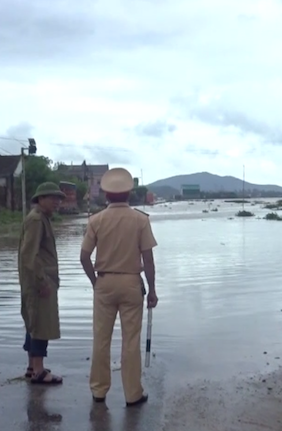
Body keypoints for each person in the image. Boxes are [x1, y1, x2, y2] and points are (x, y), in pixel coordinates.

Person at [80, 167, 159, 407]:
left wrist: (96, 282)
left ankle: (99, 390)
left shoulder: (96, 220)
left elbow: (84, 257)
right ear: (129, 193)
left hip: (104, 282)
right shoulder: (140, 219)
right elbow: (148, 260)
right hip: (131, 283)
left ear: (105, 194)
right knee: (131, 340)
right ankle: (132, 394)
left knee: (101, 339)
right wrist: (152, 290)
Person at [19, 181, 66, 385]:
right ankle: (38, 371)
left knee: (34, 322)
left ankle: (32, 367)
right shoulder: (37, 220)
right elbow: (29, 254)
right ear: (41, 199)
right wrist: (42, 281)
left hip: (39, 280)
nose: (57, 202)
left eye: (58, 198)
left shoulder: (41, 218)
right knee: (40, 324)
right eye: (53, 198)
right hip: (40, 282)